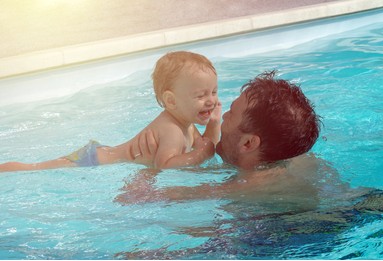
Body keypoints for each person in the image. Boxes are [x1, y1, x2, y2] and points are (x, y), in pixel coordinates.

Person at [116, 70, 324, 205]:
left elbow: (131, 199)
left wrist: (148, 168)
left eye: (231, 113)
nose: (224, 115)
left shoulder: (241, 188)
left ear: (248, 143)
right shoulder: (293, 156)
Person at [0, 51, 221, 172]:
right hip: (94, 159)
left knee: (38, 167)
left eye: (214, 92)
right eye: (201, 96)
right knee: (34, 168)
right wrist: (201, 154)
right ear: (171, 101)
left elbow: (206, 145)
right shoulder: (172, 129)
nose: (210, 101)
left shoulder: (187, 124)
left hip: (102, 152)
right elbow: (165, 164)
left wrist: (214, 124)